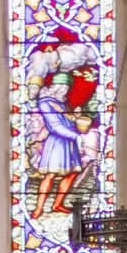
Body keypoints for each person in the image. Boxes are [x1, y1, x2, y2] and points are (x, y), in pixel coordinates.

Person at [32, 73, 86, 218]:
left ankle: (58, 204)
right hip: (57, 142)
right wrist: (76, 135)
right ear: (54, 86)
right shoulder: (45, 103)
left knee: (74, 172)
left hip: (70, 142)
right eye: (61, 87)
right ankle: (39, 208)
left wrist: (75, 118)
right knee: (51, 174)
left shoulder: (62, 103)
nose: (64, 91)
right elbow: (55, 126)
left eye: (67, 88)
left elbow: (68, 121)